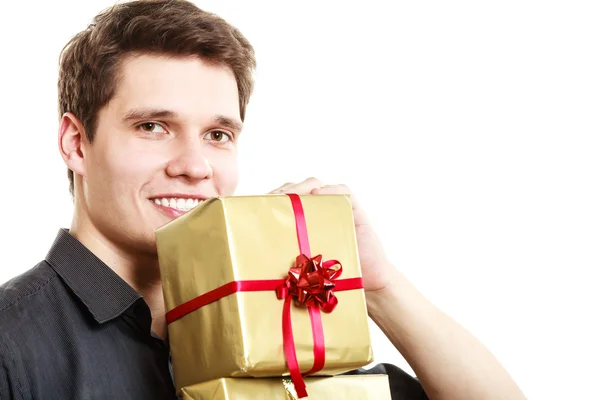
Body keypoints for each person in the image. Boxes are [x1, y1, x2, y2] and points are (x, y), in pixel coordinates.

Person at [0, 1, 526, 399]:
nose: (194, 164)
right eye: (153, 126)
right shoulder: (11, 341)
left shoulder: (280, 311)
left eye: (218, 135)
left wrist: (379, 284)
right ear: (76, 144)